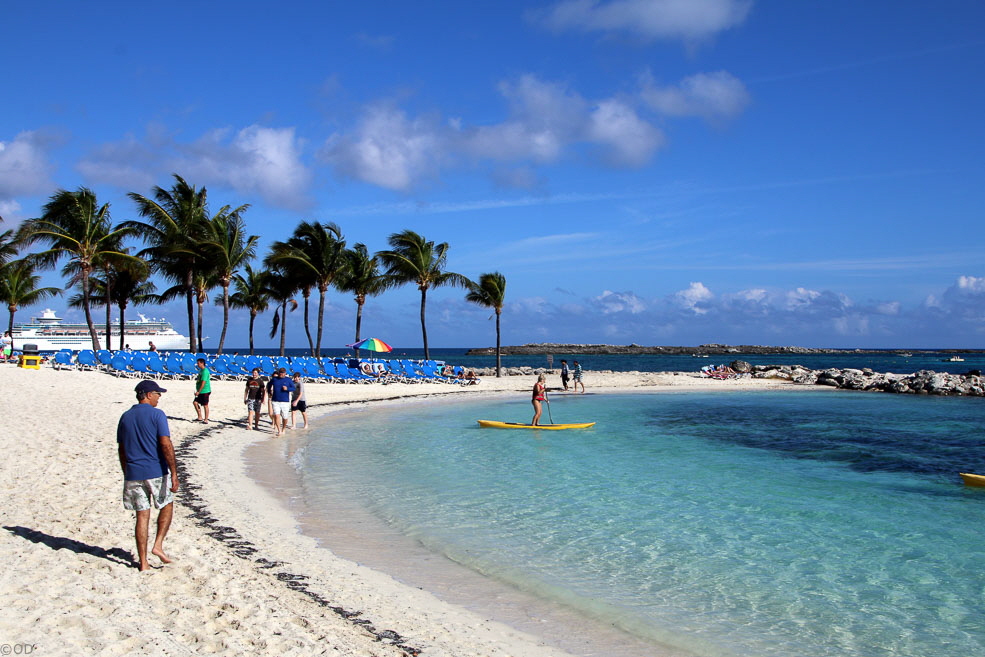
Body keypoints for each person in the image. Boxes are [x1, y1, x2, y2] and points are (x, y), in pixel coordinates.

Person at [117, 380, 179, 571]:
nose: (159, 397)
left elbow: (122, 449)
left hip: (133, 472)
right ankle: (158, 544)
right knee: (167, 505)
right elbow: (165, 444)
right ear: (149, 394)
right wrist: (174, 472)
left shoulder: (125, 416)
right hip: (155, 470)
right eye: (158, 394)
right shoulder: (157, 415)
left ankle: (143, 563)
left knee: (142, 516)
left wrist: (125, 470)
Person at [268, 367, 295, 437]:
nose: (281, 374)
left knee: (285, 417)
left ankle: (283, 429)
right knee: (276, 415)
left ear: (285, 373)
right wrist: (269, 392)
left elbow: (293, 388)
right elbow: (269, 385)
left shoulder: (288, 380)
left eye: (283, 373)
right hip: (275, 400)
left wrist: (287, 389)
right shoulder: (274, 379)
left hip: (285, 401)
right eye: (280, 372)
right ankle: (279, 430)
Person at [193, 358, 211, 423]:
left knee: (205, 405)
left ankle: (206, 419)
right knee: (195, 402)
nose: (197, 364)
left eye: (198, 363)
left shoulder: (205, 371)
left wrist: (199, 391)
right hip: (200, 390)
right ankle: (200, 417)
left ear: (202, 363)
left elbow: (203, 382)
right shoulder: (201, 371)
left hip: (205, 391)